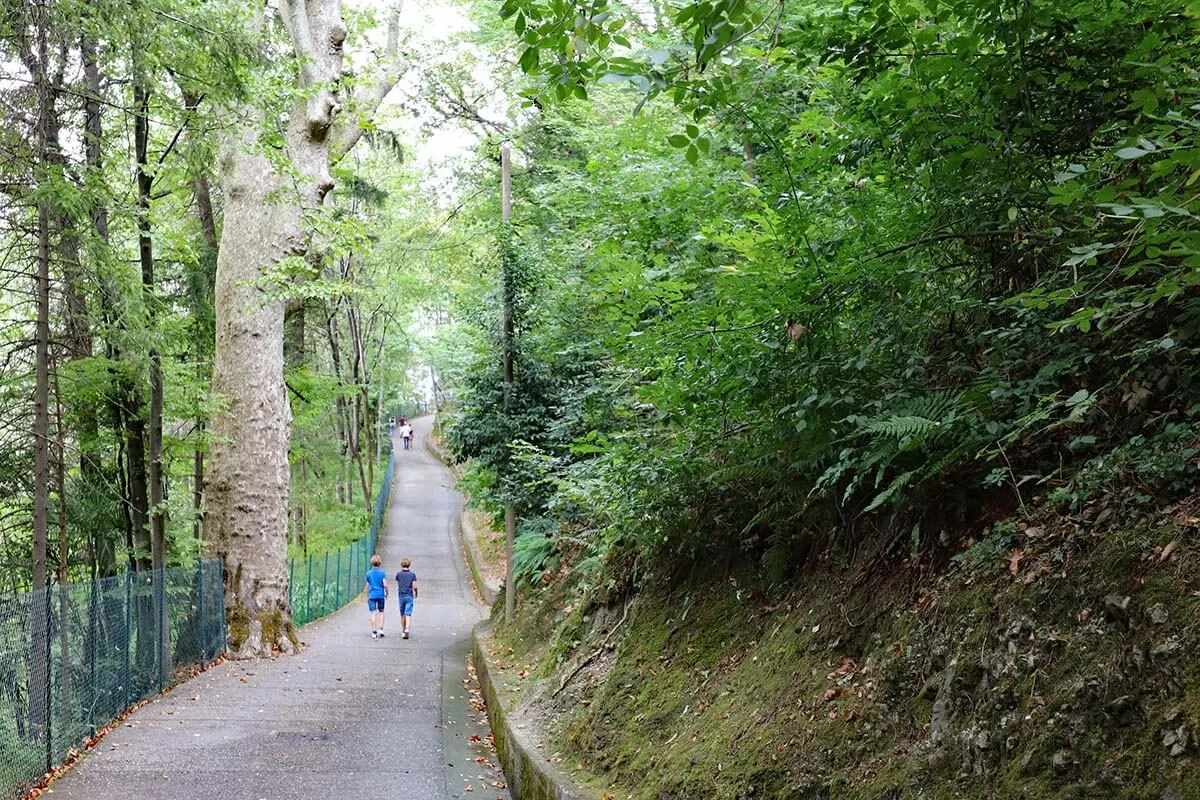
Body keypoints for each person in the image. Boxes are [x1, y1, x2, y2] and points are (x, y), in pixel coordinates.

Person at [364, 554, 388, 639]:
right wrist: (386, 592)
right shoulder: (382, 573)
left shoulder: (368, 573)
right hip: (380, 595)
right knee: (381, 612)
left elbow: (367, 585)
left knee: (373, 613)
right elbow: (385, 585)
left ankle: (374, 632)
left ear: (372, 563)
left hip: (372, 595)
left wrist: (367, 595)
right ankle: (381, 629)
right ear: (380, 563)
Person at [394, 558, 418, 639]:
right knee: (408, 613)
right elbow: (414, 586)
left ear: (401, 565)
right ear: (409, 565)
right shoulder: (412, 575)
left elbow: (398, 583)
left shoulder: (398, 574)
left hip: (401, 595)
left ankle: (403, 630)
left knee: (402, 614)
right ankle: (407, 629)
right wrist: (416, 592)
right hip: (409, 595)